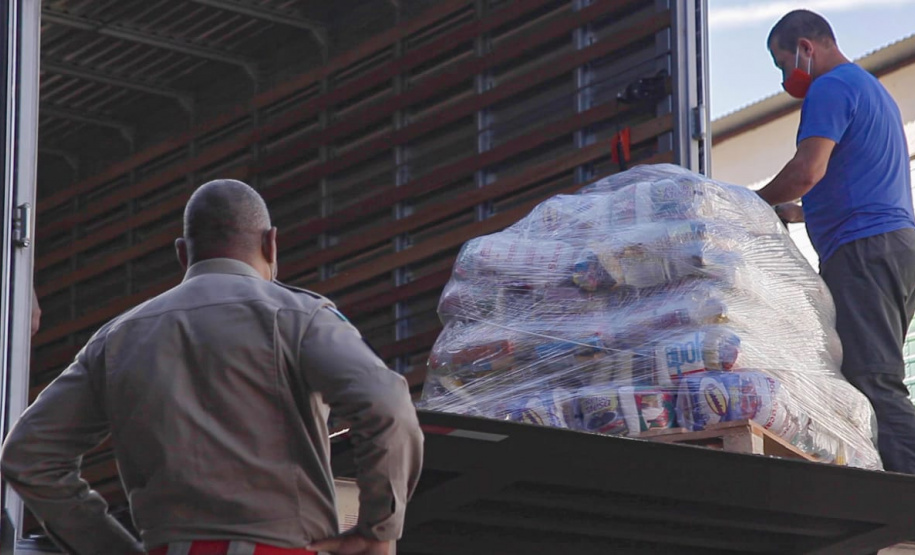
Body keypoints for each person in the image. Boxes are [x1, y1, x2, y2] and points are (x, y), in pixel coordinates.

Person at [1, 179, 424, 554]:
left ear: (183, 253)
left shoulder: (117, 338)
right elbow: (386, 404)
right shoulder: (299, 318)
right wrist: (378, 529)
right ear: (271, 244)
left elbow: (28, 455)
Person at [756, 10, 915, 473]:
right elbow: (855, 182)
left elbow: (808, 170)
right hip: (892, 246)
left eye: (783, 63)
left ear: (806, 47)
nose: (786, 76)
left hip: (864, 251)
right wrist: (796, 213)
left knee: (874, 381)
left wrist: (749, 202)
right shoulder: (870, 90)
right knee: (872, 376)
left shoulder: (828, 87)